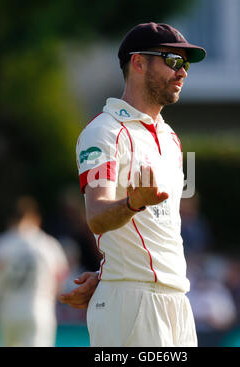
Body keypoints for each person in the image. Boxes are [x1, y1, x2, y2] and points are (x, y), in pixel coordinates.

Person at [60, 22, 206, 347]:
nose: (182, 72)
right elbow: (96, 216)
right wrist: (132, 204)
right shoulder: (105, 131)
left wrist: (105, 274)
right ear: (138, 62)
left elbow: (155, 230)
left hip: (177, 300)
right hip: (132, 304)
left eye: (185, 64)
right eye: (173, 61)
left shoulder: (170, 137)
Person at [0, 196, 69, 347]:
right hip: (40, 308)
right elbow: (62, 279)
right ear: (36, 218)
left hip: (8, 309)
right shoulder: (48, 245)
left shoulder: (0, 245)